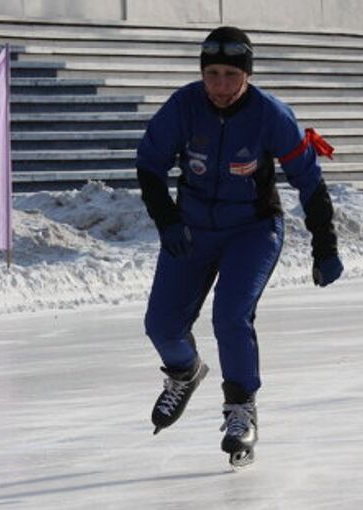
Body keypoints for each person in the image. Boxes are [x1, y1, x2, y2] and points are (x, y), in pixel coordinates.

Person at [135, 26, 344, 465]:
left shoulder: (271, 114)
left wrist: (324, 245)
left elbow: (308, 179)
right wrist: (167, 219)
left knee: (230, 316)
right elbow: (150, 163)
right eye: (212, 74)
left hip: (252, 229)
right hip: (192, 228)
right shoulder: (184, 105)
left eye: (231, 74)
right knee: (161, 326)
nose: (221, 86)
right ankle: (183, 372)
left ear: (247, 74)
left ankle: (240, 409)